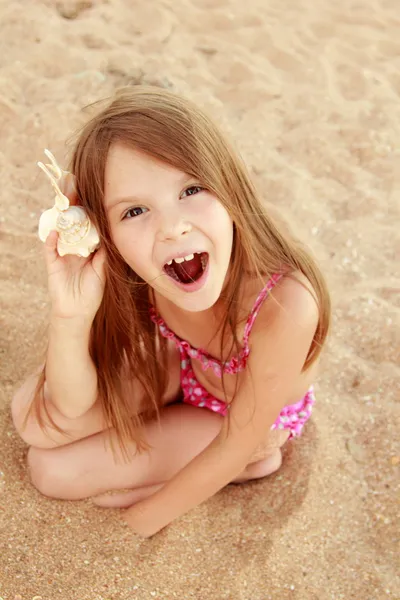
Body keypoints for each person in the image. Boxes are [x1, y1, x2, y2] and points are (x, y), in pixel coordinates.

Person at [11, 86, 330, 537]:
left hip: (240, 425)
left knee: (52, 472)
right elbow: (67, 406)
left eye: (191, 189)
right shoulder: (139, 271)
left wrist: (134, 528)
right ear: (107, 233)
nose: (173, 226)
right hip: (182, 369)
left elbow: (235, 441)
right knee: (32, 417)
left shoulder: (286, 304)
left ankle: (260, 463)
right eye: (135, 210)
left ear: (229, 187)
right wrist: (71, 315)